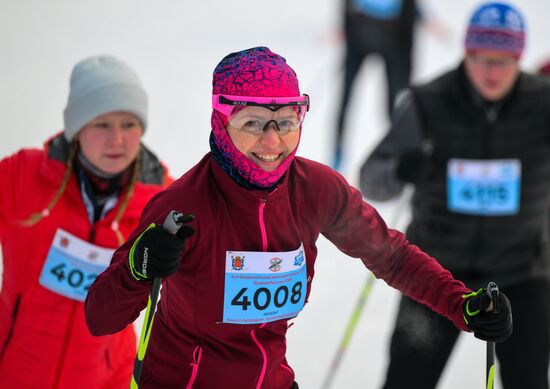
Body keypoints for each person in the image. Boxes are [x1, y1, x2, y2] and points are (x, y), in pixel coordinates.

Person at [85, 46, 512, 389]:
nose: (273, 141)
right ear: (221, 121)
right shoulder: (184, 207)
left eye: (286, 120)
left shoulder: (314, 190)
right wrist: (139, 266)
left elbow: (392, 257)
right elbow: (100, 317)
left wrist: (462, 304)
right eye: (252, 122)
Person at [360, 2, 549, 388]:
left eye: (504, 61)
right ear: (466, 52)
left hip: (522, 272)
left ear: (519, 58)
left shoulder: (543, 104)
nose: (492, 72)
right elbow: (371, 180)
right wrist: (400, 169)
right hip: (434, 272)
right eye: (481, 58)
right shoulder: (427, 102)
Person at [0, 55, 172, 388]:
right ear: (77, 130)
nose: (117, 139)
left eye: (128, 124)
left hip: (104, 379)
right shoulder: (24, 176)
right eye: (102, 124)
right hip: (12, 371)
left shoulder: (161, 203)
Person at [332, 0, 418, 170]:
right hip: (358, 37)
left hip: (392, 39)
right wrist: (346, 29)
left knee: (393, 107)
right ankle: (337, 154)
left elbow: (410, 13)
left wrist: (407, 66)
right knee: (345, 100)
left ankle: (396, 158)